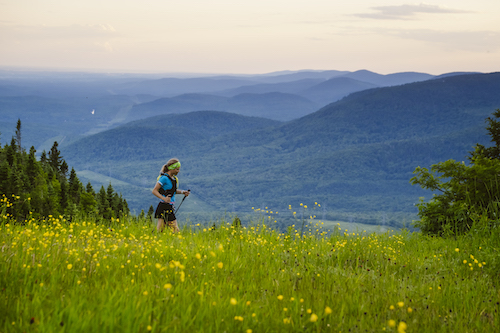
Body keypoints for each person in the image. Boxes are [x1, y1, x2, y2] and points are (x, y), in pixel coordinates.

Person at [152, 158, 190, 233]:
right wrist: (164, 198)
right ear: (171, 169)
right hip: (164, 206)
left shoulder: (174, 179)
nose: (178, 171)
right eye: (177, 169)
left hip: (168, 206)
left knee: (160, 230)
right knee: (176, 230)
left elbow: (172, 191)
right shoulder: (164, 178)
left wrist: (183, 192)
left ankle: (152, 241)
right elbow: (154, 190)